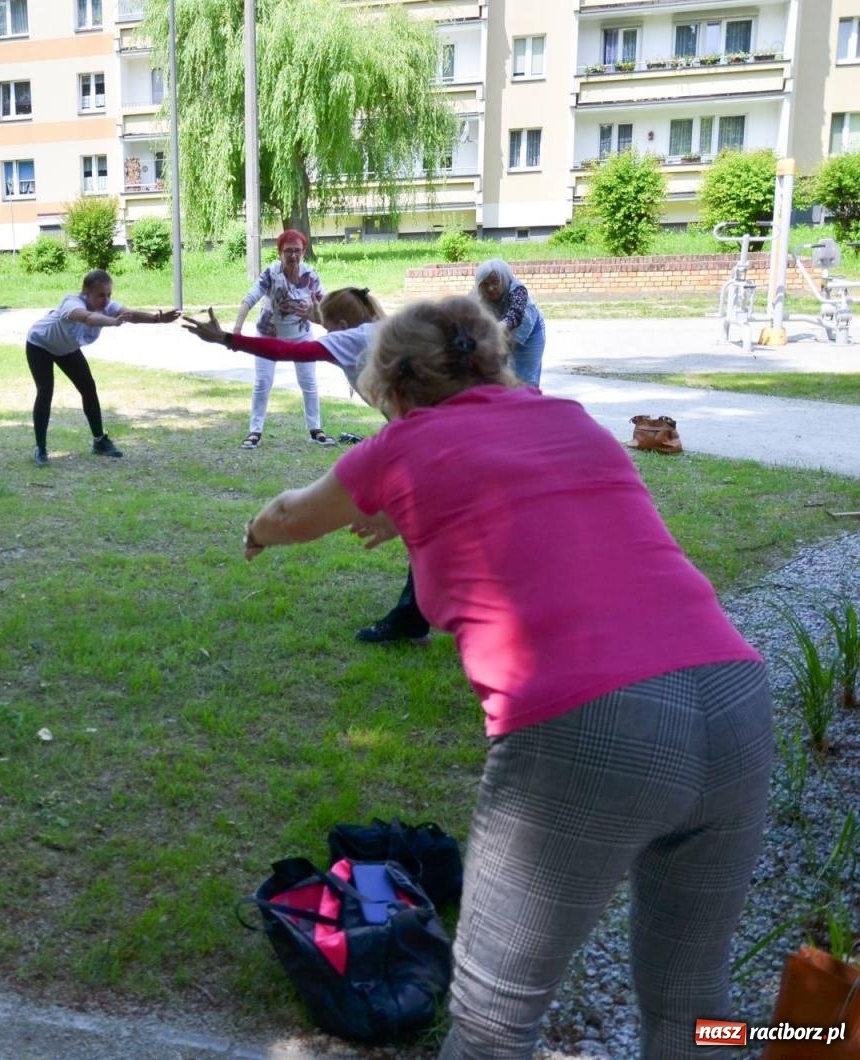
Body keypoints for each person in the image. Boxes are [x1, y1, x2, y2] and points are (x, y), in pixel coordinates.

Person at [239, 295, 771, 1059]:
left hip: (587, 725)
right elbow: (522, 487)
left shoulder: (399, 446)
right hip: (736, 700)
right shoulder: (570, 418)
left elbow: (293, 514)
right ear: (491, 359)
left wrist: (255, 530)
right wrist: (403, 507)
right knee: (697, 1008)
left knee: (493, 1022)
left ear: (391, 390)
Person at [184, 287, 430, 643]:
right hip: (431, 430)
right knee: (428, 522)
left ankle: (413, 619)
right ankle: (418, 615)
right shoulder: (379, 328)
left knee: (420, 524)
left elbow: (290, 351)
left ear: (342, 325)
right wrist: (312, 311)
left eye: (329, 328)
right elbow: (332, 321)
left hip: (423, 435)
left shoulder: (352, 338)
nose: (327, 337)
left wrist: (226, 338)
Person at [25, 269, 179, 466]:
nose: (105, 300)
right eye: (100, 295)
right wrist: (113, 322)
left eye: (109, 295)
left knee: (88, 388)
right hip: (40, 344)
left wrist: (157, 319)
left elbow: (130, 315)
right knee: (45, 390)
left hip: (67, 349)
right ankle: (41, 448)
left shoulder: (107, 306)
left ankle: (99, 441)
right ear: (86, 292)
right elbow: (88, 318)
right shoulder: (72, 303)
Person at [231, 230, 332, 449]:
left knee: (309, 383)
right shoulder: (271, 273)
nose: (293, 256)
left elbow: (325, 303)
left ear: (304, 252)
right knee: (262, 383)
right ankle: (254, 431)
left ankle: (316, 430)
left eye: (297, 251)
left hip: (301, 335)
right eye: (288, 251)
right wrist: (237, 330)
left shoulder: (310, 275)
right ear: (279, 253)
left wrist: (315, 311)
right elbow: (249, 299)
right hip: (269, 335)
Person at [474, 258, 545, 387]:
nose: (490, 288)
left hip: (529, 334)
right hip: (500, 334)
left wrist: (496, 329)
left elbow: (515, 315)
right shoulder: (476, 294)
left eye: (495, 282)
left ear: (504, 279)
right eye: (485, 284)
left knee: (526, 379)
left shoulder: (518, 290)